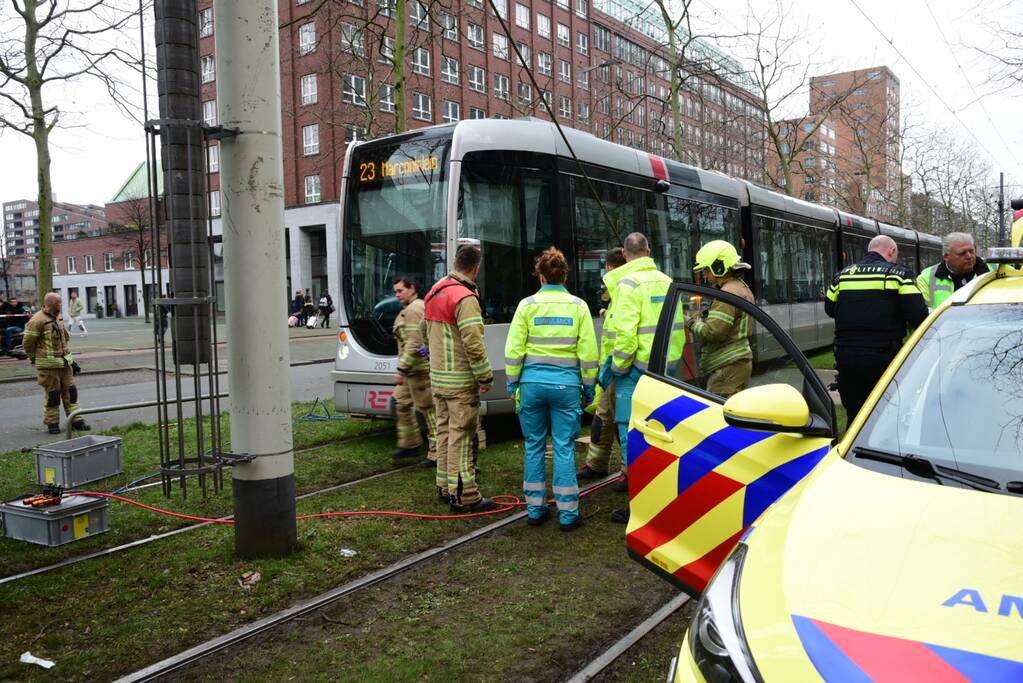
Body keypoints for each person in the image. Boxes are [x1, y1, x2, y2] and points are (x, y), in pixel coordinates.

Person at [505, 247, 598, 531]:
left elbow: (513, 349)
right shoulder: (579, 306)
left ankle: (536, 509)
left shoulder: (527, 306)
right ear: (565, 275)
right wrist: (589, 386)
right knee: (563, 447)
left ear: (540, 275)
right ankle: (568, 514)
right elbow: (589, 352)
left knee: (533, 445)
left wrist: (512, 381)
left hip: (531, 386)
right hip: (566, 386)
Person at [600, 233, 672, 524]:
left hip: (634, 374)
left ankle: (640, 506)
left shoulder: (628, 285)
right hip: (666, 372)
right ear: (649, 251)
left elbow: (626, 339)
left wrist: (616, 368)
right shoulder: (667, 282)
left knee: (632, 438)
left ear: (626, 256)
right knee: (663, 433)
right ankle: (664, 492)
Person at [422, 244, 496, 512]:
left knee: (443, 433)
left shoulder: (434, 290)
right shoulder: (464, 298)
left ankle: (444, 486)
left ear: (455, 261)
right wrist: (485, 377)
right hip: (460, 383)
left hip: (438, 381)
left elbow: (423, 333)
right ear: (476, 268)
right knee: (462, 438)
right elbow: (473, 344)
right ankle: (465, 495)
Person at [825, 234, 928, 423]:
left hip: (847, 356)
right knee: (885, 412)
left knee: (854, 413)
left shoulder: (842, 276)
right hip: (884, 355)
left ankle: (849, 448)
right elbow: (918, 315)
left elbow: (830, 309)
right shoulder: (899, 275)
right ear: (891, 251)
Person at [578, 247, 627, 483]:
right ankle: (596, 464)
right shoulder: (618, 293)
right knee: (603, 418)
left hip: (621, 369)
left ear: (609, 267)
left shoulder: (625, 290)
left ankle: (628, 471)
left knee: (622, 424)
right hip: (611, 370)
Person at [687, 241, 755, 398]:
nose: (705, 275)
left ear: (719, 267)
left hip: (726, 369)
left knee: (719, 417)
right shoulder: (740, 287)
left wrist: (690, 322)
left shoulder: (728, 294)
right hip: (736, 365)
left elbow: (713, 332)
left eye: (707, 269)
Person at [23, 292, 91, 434]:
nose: (61, 305)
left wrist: (71, 362)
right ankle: (52, 423)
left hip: (64, 364)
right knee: (53, 395)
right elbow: (28, 343)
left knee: (71, 392)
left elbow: (64, 341)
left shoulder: (58, 317)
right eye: (59, 303)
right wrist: (33, 358)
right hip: (48, 367)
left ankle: (76, 420)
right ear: (51, 304)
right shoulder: (37, 320)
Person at [391, 276, 437, 467]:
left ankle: (436, 454)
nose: (397, 295)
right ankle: (410, 444)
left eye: (400, 290)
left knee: (429, 412)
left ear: (412, 289)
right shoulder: (412, 308)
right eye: (396, 291)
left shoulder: (415, 309)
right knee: (399, 402)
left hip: (419, 371)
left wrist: (402, 368)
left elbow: (414, 342)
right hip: (412, 371)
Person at [916, 232, 989, 309]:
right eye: (962, 253)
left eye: (971, 251)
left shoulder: (993, 273)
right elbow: (924, 312)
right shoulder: (926, 278)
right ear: (946, 256)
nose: (969, 256)